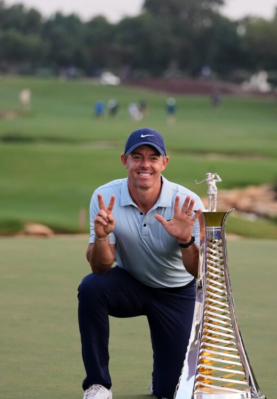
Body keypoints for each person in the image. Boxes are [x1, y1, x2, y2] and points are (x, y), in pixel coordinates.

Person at [79, 128, 204, 399]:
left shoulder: (187, 202)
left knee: (168, 391)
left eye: (152, 157)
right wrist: (102, 237)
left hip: (175, 293)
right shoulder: (105, 198)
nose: (145, 164)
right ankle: (97, 385)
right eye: (137, 157)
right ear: (124, 160)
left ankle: (162, 378)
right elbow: (100, 268)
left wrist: (185, 240)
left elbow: (198, 273)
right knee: (91, 287)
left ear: (164, 163)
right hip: (131, 284)